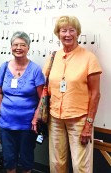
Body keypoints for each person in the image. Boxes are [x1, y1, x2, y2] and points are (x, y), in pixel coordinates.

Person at [33, 16, 102, 173]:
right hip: (55, 118)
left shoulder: (89, 58)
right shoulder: (53, 57)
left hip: (80, 120)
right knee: (56, 163)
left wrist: (89, 124)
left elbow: (95, 94)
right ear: (58, 33)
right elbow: (46, 89)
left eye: (72, 30)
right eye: (63, 30)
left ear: (78, 33)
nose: (67, 34)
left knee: (81, 167)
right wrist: (38, 113)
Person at [0, 31, 45, 173]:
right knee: (9, 160)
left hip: (27, 125)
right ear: (11, 47)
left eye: (22, 45)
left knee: (26, 161)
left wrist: (36, 118)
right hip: (6, 124)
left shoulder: (35, 70)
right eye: (15, 44)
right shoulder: (4, 68)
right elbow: (0, 94)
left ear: (28, 48)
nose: (18, 47)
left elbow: (42, 97)